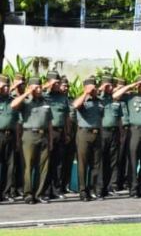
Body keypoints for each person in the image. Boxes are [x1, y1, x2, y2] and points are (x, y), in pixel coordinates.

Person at [114, 75, 141, 198]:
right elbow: (115, 95)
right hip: (135, 131)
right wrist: (131, 86)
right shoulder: (130, 97)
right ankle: (133, 188)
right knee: (133, 160)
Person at [12, 77, 53, 204]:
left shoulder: (45, 102)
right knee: (28, 166)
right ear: (30, 88)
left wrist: (50, 140)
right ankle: (28, 194)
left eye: (40, 87)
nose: (40, 89)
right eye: (36, 87)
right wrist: (27, 93)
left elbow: (50, 122)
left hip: (44, 135)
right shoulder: (25, 102)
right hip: (29, 135)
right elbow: (13, 105)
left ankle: (39, 193)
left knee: (43, 167)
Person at [72, 77, 104, 201]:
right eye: (91, 87)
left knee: (96, 164)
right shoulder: (82, 100)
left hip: (97, 133)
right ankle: (83, 191)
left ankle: (94, 189)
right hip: (84, 134)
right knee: (83, 164)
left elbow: (101, 117)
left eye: (94, 88)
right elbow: (75, 105)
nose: (93, 90)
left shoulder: (100, 102)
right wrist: (86, 93)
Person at [44, 71, 71, 199]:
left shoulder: (63, 97)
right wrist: (47, 86)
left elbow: (66, 117)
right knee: (46, 162)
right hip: (47, 132)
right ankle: (45, 190)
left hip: (60, 132)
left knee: (59, 162)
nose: (57, 85)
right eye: (55, 83)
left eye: (58, 83)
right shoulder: (44, 96)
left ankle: (57, 189)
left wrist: (67, 133)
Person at [98, 76, 122, 197]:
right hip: (103, 132)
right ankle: (100, 188)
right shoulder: (99, 99)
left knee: (113, 161)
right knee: (102, 161)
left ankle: (110, 186)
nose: (110, 88)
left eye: (112, 85)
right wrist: (101, 89)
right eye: (108, 86)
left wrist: (121, 134)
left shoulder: (115, 101)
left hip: (114, 132)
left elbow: (119, 120)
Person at [0, 75, 16, 202]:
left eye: (7, 86)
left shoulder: (12, 100)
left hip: (10, 135)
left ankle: (6, 192)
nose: (6, 88)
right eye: (3, 86)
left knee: (9, 165)